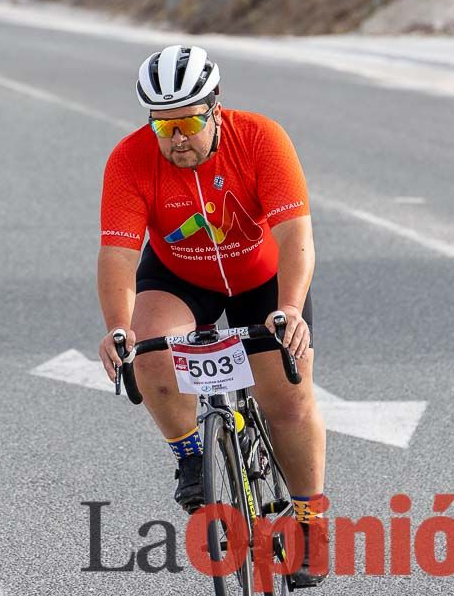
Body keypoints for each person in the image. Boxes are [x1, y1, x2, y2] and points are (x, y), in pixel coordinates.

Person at [97, 45, 327, 587]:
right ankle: (191, 454)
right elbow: (118, 255)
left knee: (288, 401)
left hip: (262, 277)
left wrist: (290, 310)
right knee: (151, 352)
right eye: (163, 126)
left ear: (216, 107)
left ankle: (310, 523)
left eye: (189, 122)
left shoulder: (262, 139)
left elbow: (296, 235)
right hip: (182, 277)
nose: (177, 139)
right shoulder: (129, 159)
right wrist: (118, 327)